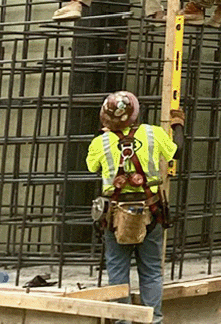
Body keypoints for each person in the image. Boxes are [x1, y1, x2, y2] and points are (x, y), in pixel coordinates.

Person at [86, 91, 183, 324]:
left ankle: (122, 321)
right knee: (150, 271)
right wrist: (178, 125)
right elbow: (177, 151)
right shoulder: (154, 133)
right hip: (150, 213)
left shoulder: (100, 142)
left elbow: (92, 167)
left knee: (118, 272)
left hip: (115, 217)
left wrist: (104, 137)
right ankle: (153, 320)